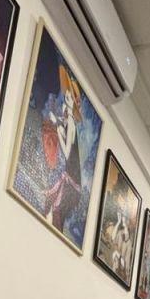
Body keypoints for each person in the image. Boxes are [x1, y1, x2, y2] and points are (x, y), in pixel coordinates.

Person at [44, 66, 82, 234]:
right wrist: (57, 123)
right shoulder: (66, 118)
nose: (67, 95)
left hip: (71, 183)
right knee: (49, 205)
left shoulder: (71, 123)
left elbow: (67, 154)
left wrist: (59, 131)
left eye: (71, 96)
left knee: (54, 208)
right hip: (67, 177)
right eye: (68, 92)